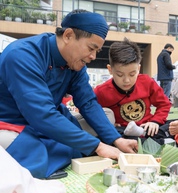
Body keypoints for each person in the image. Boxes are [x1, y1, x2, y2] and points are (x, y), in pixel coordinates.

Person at [0, 9, 137, 179]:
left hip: (48, 120)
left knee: (106, 117)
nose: (93, 56)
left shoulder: (75, 63)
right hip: (12, 123)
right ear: (68, 35)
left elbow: (87, 102)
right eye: (91, 48)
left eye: (97, 51)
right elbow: (41, 115)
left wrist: (117, 140)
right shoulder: (22, 55)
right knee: (34, 155)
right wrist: (98, 146)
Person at [94, 38, 172, 145]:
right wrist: (108, 123)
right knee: (110, 135)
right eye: (120, 75)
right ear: (110, 69)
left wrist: (155, 121)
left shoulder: (147, 81)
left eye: (132, 74)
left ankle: (152, 140)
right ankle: (159, 142)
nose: (126, 80)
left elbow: (164, 104)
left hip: (148, 127)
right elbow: (89, 112)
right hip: (124, 132)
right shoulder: (101, 91)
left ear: (138, 69)